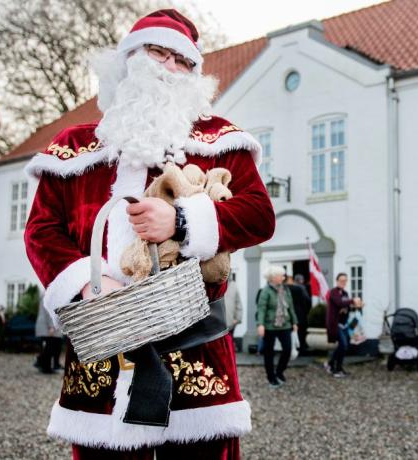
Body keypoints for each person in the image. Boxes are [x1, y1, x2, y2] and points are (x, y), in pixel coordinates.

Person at [23, 9, 275, 458]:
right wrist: (84, 280)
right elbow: (42, 230)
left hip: (195, 343)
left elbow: (259, 215)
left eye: (183, 61)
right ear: (128, 62)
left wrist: (181, 221)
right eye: (158, 53)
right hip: (101, 344)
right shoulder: (75, 146)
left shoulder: (220, 139)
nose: (170, 67)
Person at [256, 265, 298, 388]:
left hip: (285, 325)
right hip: (270, 326)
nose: (284, 277)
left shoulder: (285, 290)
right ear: (273, 278)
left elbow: (290, 306)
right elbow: (261, 309)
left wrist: (294, 322)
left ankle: (279, 371)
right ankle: (271, 377)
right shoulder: (266, 291)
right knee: (269, 352)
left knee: (287, 349)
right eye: (282, 275)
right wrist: (261, 324)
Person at [325, 273, 362, 378]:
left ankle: (334, 365)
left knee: (343, 346)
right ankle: (336, 369)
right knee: (344, 345)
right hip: (335, 324)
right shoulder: (333, 292)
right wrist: (352, 301)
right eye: (341, 280)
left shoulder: (345, 293)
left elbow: (346, 306)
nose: (343, 282)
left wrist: (356, 306)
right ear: (337, 281)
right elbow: (340, 303)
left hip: (343, 324)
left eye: (345, 280)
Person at [34, 300, 62, 374]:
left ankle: (43, 364)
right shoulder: (48, 295)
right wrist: (51, 326)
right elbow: (48, 311)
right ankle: (45, 367)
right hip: (46, 326)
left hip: (45, 325)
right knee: (49, 347)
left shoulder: (45, 294)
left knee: (48, 346)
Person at [287, 274, 311, 354]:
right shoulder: (301, 288)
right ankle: (301, 349)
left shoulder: (286, 289)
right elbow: (307, 300)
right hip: (301, 313)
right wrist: (307, 311)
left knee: (291, 332)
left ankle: (291, 348)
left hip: (290, 313)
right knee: (301, 332)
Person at [223, 271, 243, 352]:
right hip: (216, 325)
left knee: (229, 346)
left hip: (230, 323)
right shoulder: (214, 285)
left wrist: (237, 319)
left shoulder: (233, 285)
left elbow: (238, 303)